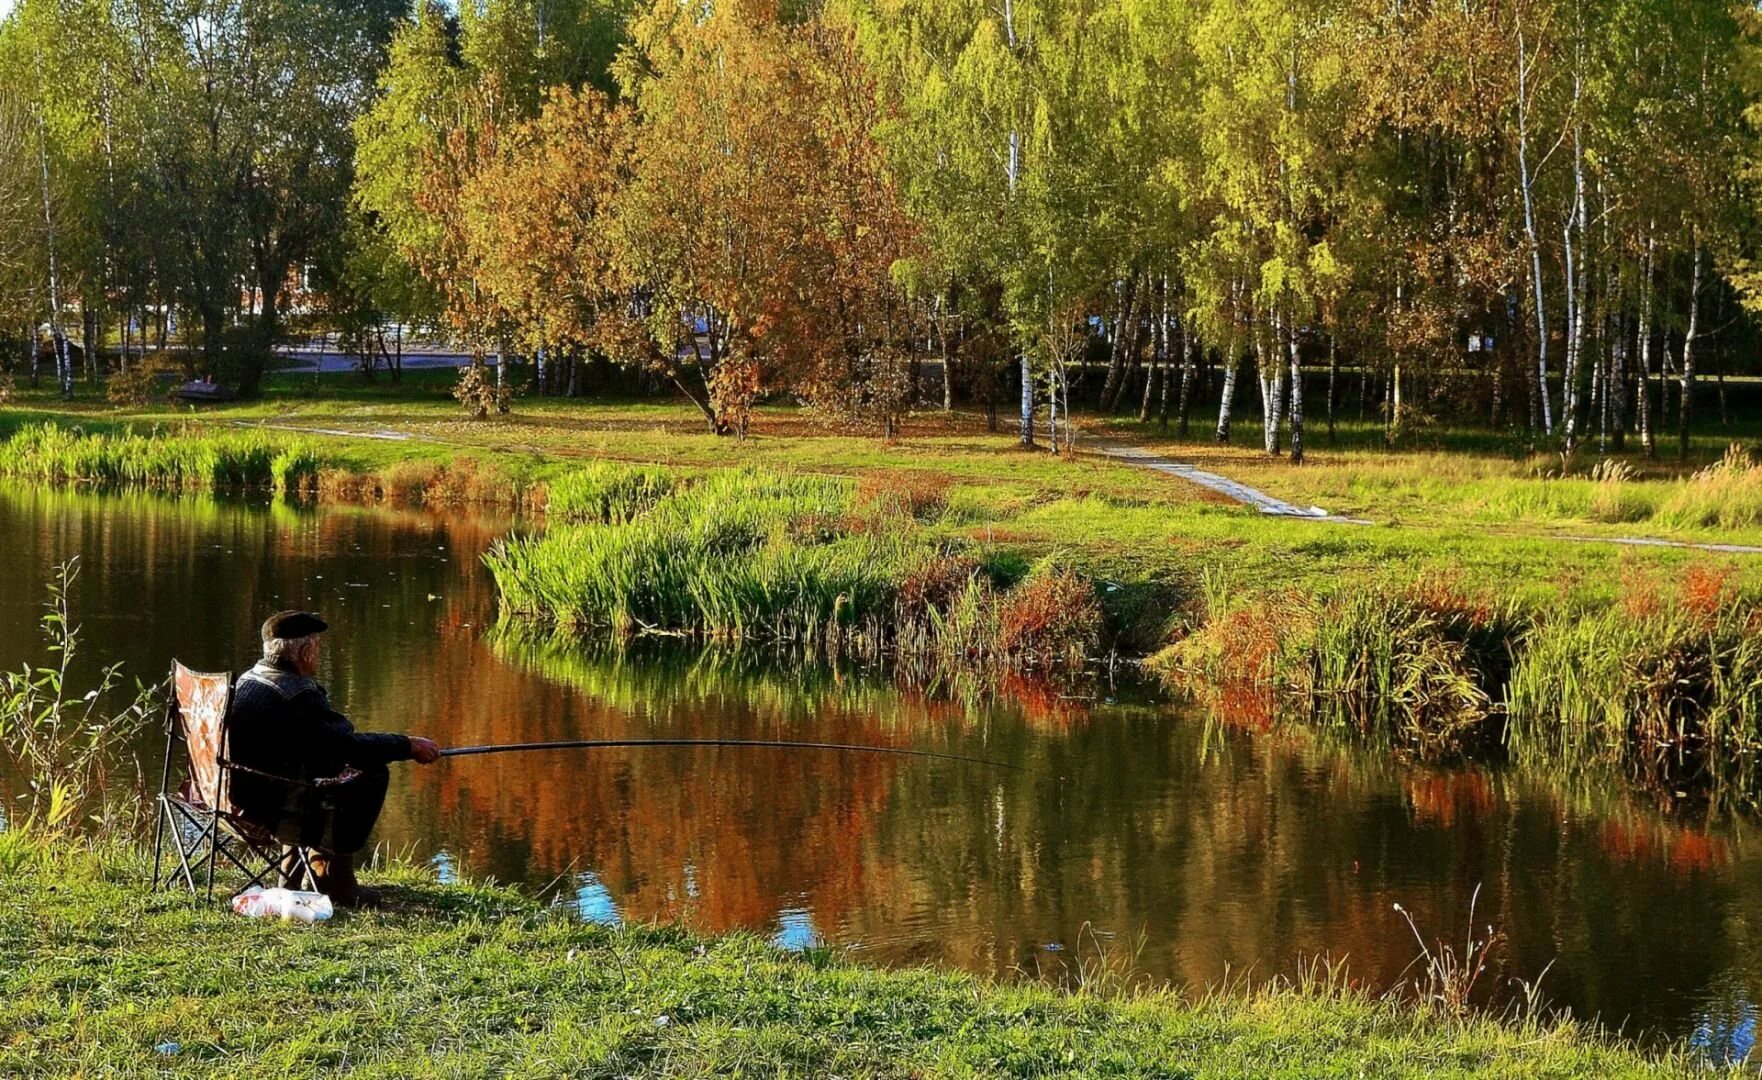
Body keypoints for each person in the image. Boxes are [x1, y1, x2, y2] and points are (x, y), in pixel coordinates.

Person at [227, 611, 442, 906]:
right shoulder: (297, 693)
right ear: (304, 652)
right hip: (270, 807)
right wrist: (406, 745)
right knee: (370, 774)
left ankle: (304, 871)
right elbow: (346, 747)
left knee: (329, 771)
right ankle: (334, 881)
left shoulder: (250, 680)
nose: (318, 653)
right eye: (317, 647)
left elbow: (325, 744)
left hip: (231, 798)